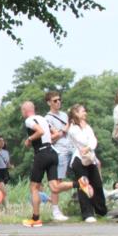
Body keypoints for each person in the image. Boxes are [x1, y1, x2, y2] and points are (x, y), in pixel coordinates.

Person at [20, 101, 74, 228]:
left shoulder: (29, 120)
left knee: (34, 188)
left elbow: (39, 132)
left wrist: (29, 139)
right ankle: (78, 184)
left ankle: (35, 219)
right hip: (52, 153)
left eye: (22, 111)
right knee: (54, 187)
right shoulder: (43, 119)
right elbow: (55, 134)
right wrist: (48, 141)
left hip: (42, 154)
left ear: (25, 110)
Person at [66, 104, 105, 223]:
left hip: (90, 158)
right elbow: (82, 141)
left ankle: (101, 211)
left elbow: (94, 141)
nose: (85, 113)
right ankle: (87, 213)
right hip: (79, 159)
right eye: (83, 111)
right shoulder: (73, 128)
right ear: (76, 113)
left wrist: (89, 147)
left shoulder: (87, 126)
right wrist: (88, 145)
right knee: (84, 186)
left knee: (97, 184)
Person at [44, 90, 72, 222]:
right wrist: (63, 131)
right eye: (55, 100)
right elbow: (51, 138)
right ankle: (55, 210)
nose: (58, 102)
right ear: (49, 102)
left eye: (59, 99)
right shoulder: (47, 119)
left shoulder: (65, 115)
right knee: (57, 181)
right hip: (59, 150)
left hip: (70, 147)